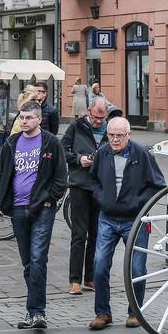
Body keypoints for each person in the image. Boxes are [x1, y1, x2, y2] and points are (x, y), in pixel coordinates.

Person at [88, 117, 166, 330]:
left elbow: (158, 185)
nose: (114, 139)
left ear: (129, 135)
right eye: (111, 135)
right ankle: (103, 312)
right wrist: (102, 198)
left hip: (135, 220)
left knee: (137, 268)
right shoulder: (103, 153)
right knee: (100, 264)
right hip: (107, 218)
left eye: (119, 136)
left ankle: (135, 312)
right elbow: (93, 180)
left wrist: (137, 202)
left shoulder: (141, 154)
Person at [0, 101, 67, 330]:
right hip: (17, 208)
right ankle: (32, 311)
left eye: (28, 118)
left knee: (37, 259)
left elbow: (61, 175)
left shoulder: (51, 143)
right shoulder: (11, 143)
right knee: (28, 262)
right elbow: (4, 171)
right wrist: (3, 197)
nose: (23, 121)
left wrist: (51, 198)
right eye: (21, 118)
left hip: (42, 208)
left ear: (39, 120)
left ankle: (37, 312)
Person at [61, 96, 110, 295]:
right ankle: (74, 280)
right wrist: (78, 159)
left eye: (103, 118)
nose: (100, 122)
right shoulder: (76, 127)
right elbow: (62, 150)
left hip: (101, 188)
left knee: (96, 235)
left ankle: (90, 278)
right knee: (79, 234)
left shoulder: (110, 129)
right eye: (97, 118)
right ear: (89, 112)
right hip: (80, 186)